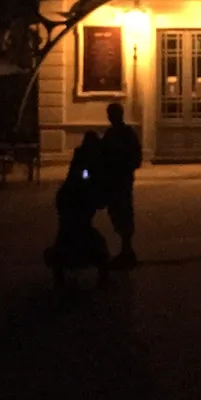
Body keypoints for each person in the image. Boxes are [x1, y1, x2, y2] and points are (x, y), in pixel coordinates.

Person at [44, 131, 110, 287]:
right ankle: (92, 265)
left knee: (69, 234)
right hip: (76, 199)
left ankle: (62, 270)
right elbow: (84, 176)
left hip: (72, 199)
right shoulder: (87, 159)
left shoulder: (83, 156)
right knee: (79, 234)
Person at [100, 101, 142, 267]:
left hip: (121, 181)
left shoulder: (123, 134)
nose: (110, 117)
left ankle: (127, 249)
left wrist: (124, 167)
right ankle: (126, 249)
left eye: (111, 114)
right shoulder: (114, 134)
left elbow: (136, 157)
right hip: (115, 180)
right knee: (118, 213)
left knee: (122, 212)